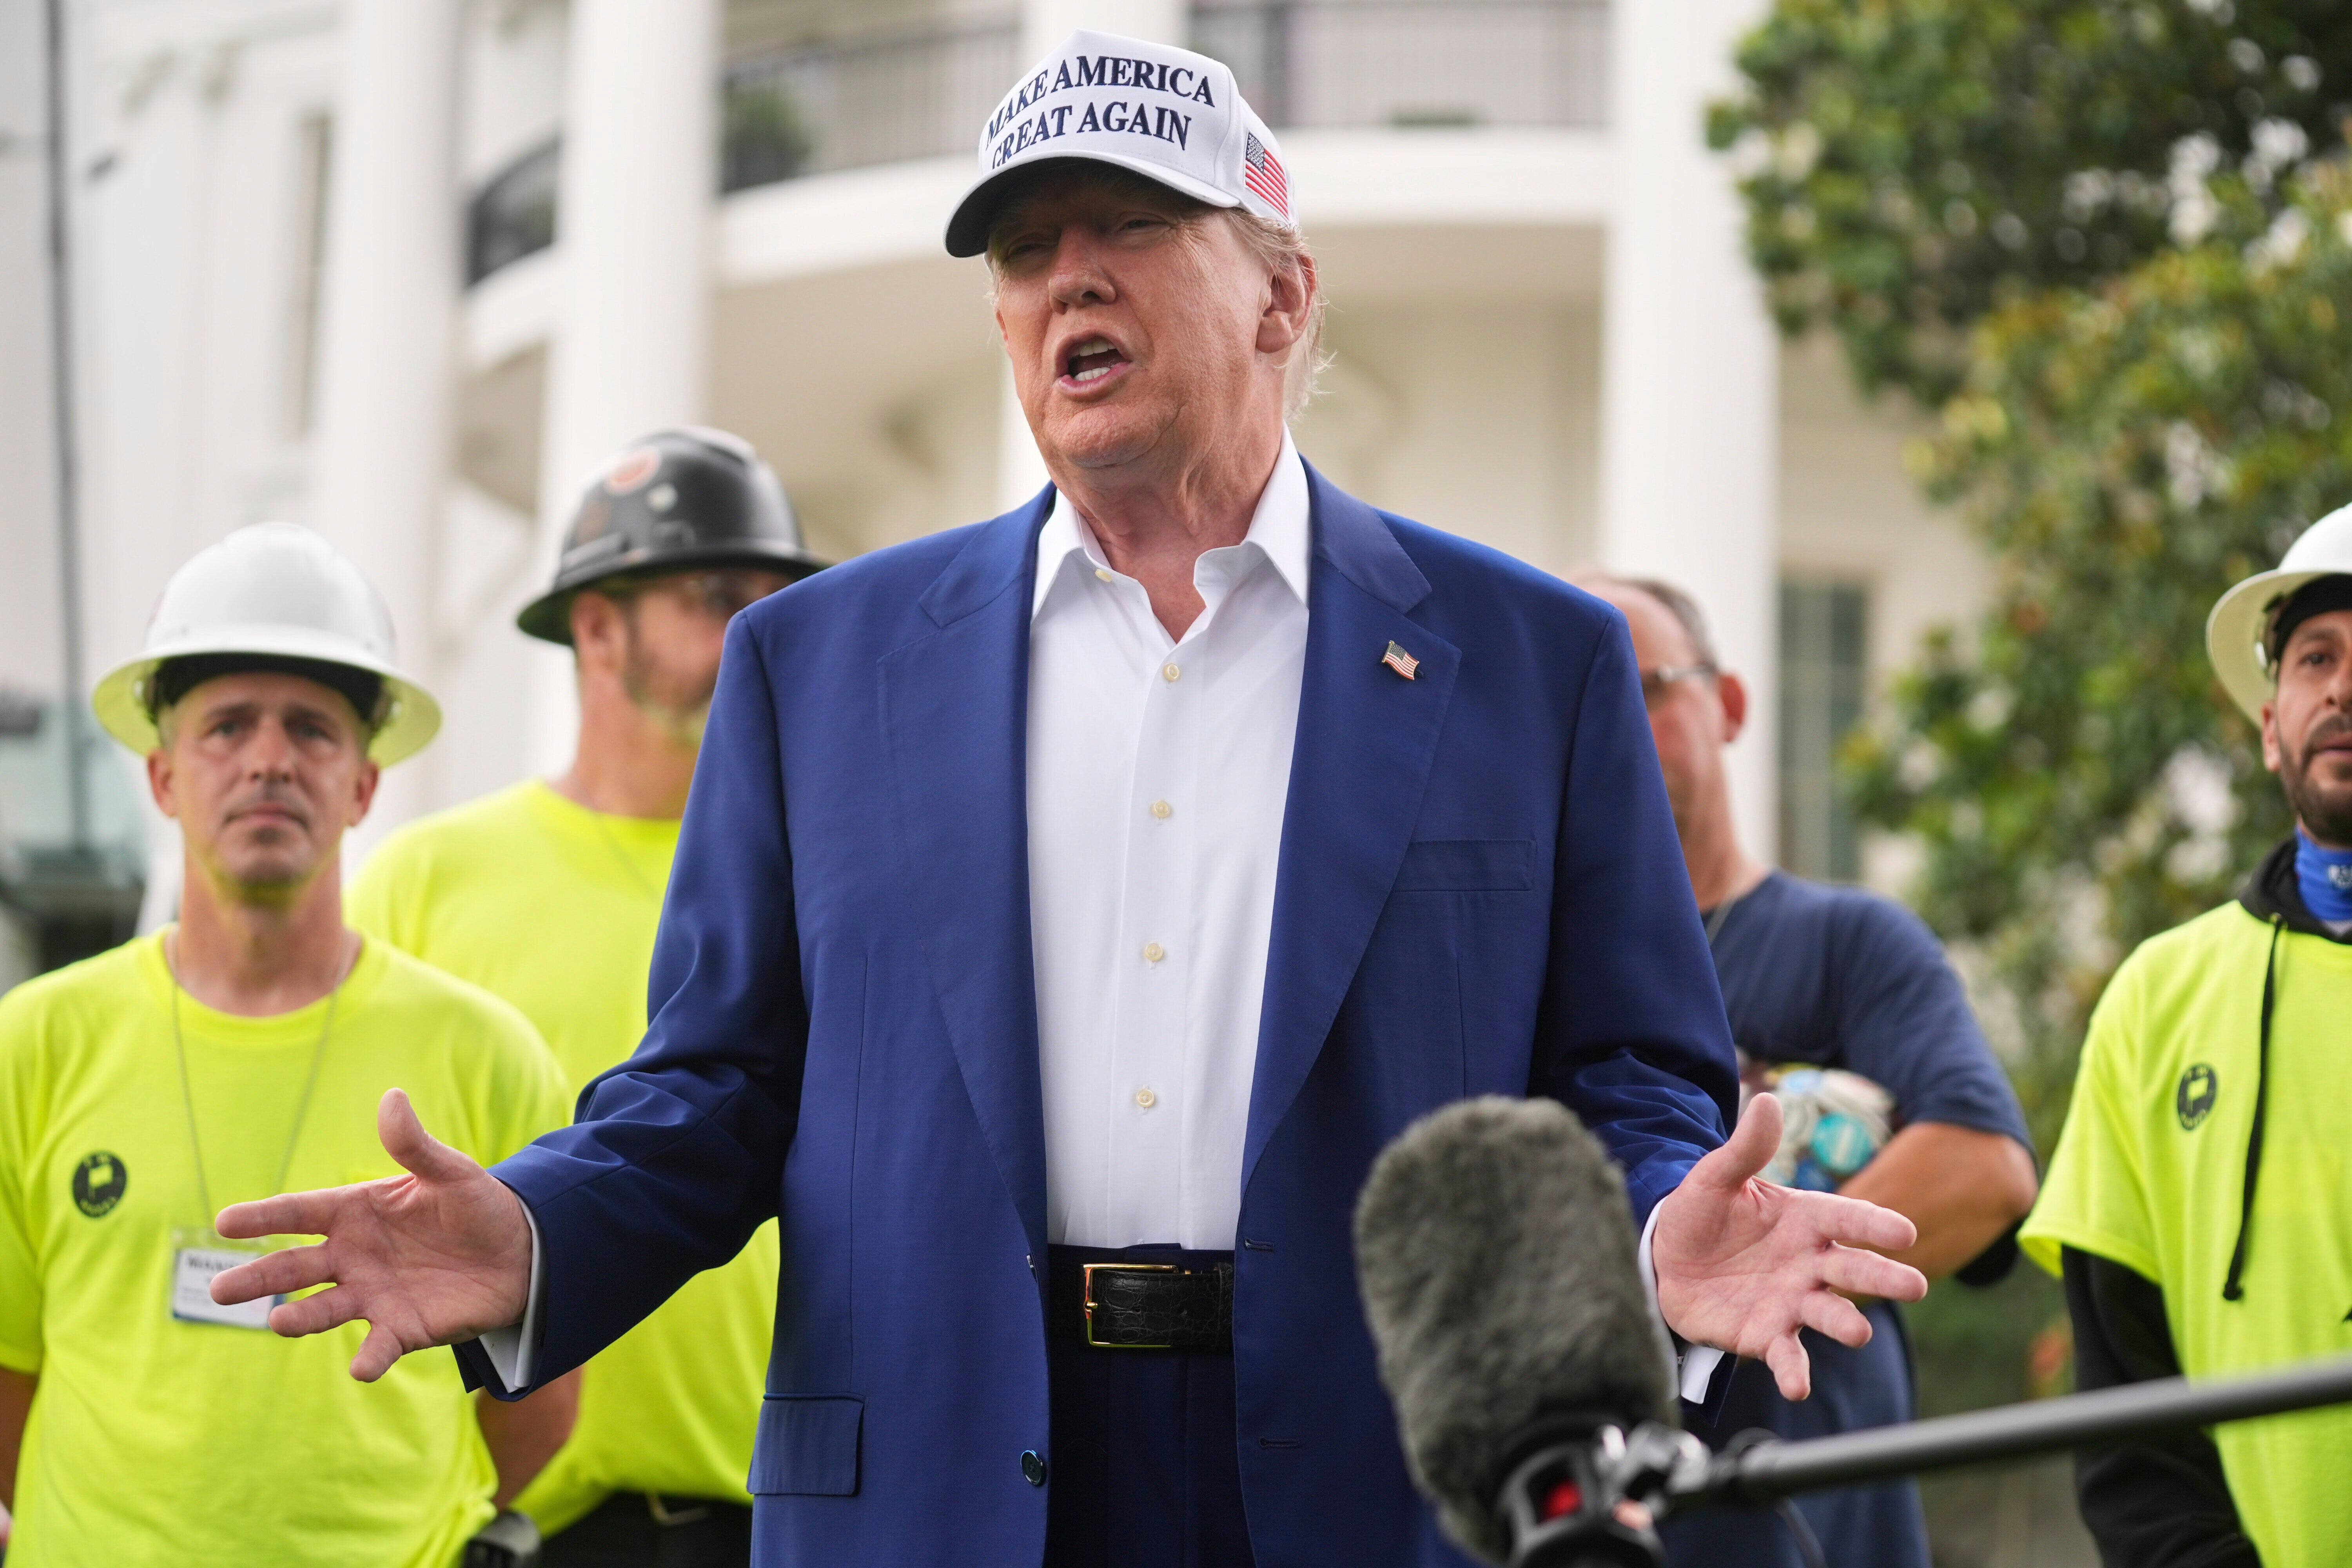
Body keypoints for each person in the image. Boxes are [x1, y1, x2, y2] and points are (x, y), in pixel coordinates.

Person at [212, 34, 1928, 1568]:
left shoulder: (1530, 657)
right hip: (944, 1468)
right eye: (1028, 250)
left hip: (1374, 1472)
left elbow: (1630, 1069)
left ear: (1281, 293)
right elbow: (716, 1091)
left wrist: (1650, 1244)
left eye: (1129, 229)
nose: (1067, 282)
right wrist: (528, 1229)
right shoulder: (818, 668)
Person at [0, 523, 574, 1567]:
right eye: (227, 727)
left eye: (312, 729)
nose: (269, 758)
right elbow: (5, 1379)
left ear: (363, 784)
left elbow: (540, 1397)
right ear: (164, 776)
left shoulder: (488, 1056)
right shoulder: (32, 1044)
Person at [349, 428, 824, 1564]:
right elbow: (359, 1206)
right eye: (720, 598)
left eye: (776, 605)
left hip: (780, 1520)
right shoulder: (427, 882)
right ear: (598, 626)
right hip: (512, 1526)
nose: (760, 637)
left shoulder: (830, 884)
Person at [1582, 575, 2039, 1568]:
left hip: (1820, 1526)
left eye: (1640, 684)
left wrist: (1772, 1261)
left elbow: (1985, 1165)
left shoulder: (1846, 941)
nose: (1606, 722)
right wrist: (1658, 1274)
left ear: (1731, 705)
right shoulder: (1528, 979)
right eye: (1578, 696)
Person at [2020, 506, 2352, 1566]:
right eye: (2316, 658)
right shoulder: (2154, 1000)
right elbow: (2128, 1419)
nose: (2345, 688)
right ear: (2269, 723)